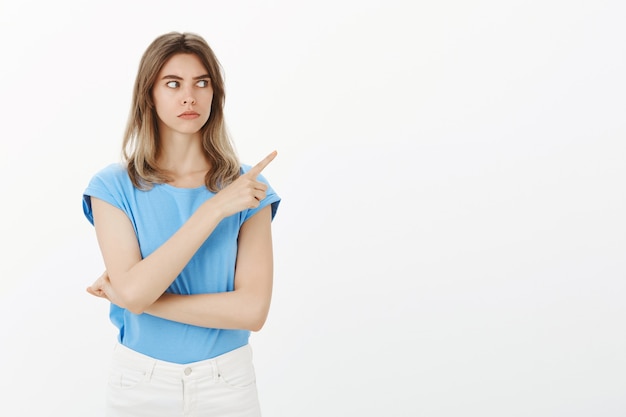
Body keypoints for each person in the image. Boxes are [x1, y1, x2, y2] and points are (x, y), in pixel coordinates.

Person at [82, 31, 280, 417]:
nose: (189, 96)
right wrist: (213, 209)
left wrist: (134, 299)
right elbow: (135, 293)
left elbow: (252, 311)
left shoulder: (248, 189)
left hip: (227, 385)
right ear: (149, 96)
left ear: (214, 95)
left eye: (201, 83)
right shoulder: (112, 187)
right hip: (141, 384)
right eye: (172, 83)